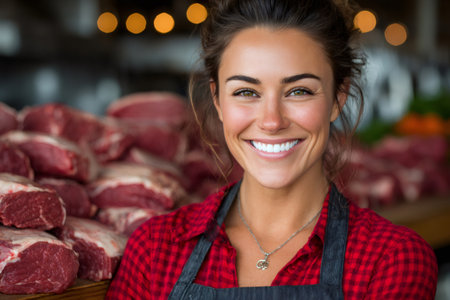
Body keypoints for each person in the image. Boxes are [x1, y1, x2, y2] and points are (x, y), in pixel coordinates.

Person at [106, 0, 438, 299]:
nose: (271, 121)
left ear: (338, 98)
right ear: (219, 101)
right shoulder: (155, 250)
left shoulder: (391, 260)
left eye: (298, 91)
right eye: (246, 92)